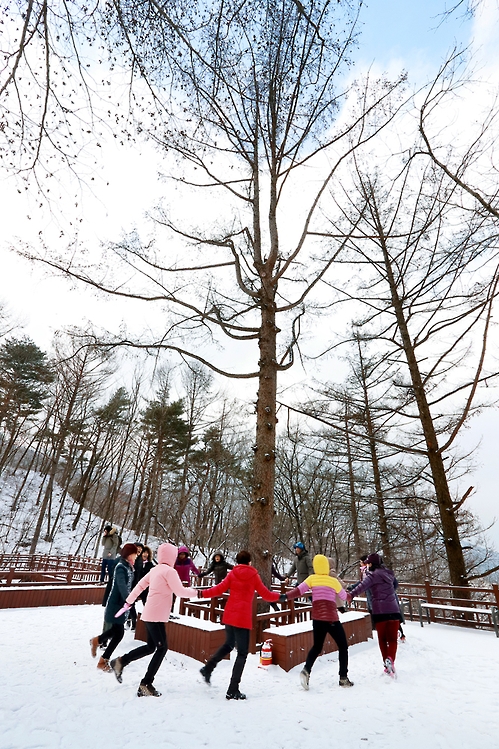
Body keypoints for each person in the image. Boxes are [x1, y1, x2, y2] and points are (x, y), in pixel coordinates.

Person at [109, 543, 199, 697]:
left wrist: (128, 602)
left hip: (151, 615)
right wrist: (198, 593)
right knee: (162, 648)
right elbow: (180, 591)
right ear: (172, 556)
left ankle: (121, 662)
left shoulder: (154, 570)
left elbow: (138, 587)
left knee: (152, 647)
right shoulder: (170, 571)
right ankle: (146, 684)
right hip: (156, 616)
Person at [198, 549, 280, 700]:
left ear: (237, 562)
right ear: (249, 562)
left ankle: (208, 668)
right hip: (242, 618)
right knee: (242, 653)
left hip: (229, 615)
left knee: (229, 645)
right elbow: (265, 594)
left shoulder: (232, 573)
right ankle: (233, 689)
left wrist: (202, 593)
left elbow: (219, 589)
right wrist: (281, 597)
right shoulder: (253, 575)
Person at [281, 554, 353, 689]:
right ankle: (343, 677)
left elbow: (298, 591)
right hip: (331, 619)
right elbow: (344, 596)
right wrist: (351, 594)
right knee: (343, 646)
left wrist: (285, 596)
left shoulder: (312, 579)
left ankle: (306, 670)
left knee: (317, 647)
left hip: (317, 619)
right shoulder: (333, 581)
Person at [347, 552, 402, 677]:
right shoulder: (389, 574)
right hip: (394, 610)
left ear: (371, 564)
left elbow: (362, 586)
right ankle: (391, 660)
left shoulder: (372, 576)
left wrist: (350, 595)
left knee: (382, 639)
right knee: (393, 640)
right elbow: (395, 585)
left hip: (380, 611)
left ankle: (386, 664)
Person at [90, 543, 138, 671]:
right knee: (119, 633)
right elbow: (121, 585)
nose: (136, 556)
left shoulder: (129, 566)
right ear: (129, 554)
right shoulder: (121, 567)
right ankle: (102, 658)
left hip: (123, 605)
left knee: (117, 632)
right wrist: (129, 599)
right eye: (135, 553)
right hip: (116, 604)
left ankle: (98, 643)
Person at [129, 545, 153, 630]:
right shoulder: (136, 563)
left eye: (147, 553)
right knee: (131, 603)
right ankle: (133, 621)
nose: (145, 554)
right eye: (144, 552)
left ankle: (148, 622)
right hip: (135, 586)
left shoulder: (150, 565)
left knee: (147, 604)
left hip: (145, 588)